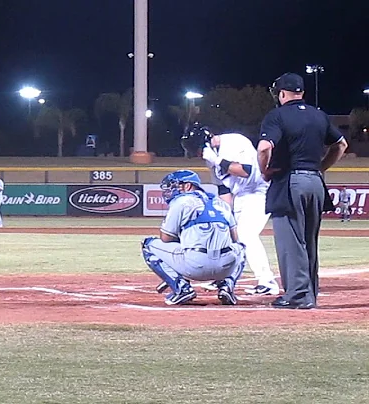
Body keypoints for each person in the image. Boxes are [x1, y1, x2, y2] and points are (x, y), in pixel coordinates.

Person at [257, 72, 348, 309]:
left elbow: (264, 148)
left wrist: (264, 171)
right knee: (309, 241)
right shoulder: (319, 115)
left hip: (289, 182)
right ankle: (309, 294)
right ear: (302, 93)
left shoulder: (276, 115)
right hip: (315, 182)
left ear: (282, 93)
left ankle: (297, 296)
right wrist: (321, 167)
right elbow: (341, 144)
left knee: (290, 241)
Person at [181, 124, 279, 296]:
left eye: (197, 149)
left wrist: (217, 160)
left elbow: (245, 171)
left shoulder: (234, 141)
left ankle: (267, 282)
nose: (197, 154)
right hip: (240, 195)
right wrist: (225, 215)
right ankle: (223, 277)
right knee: (228, 235)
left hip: (259, 191)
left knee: (247, 235)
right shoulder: (210, 158)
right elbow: (223, 188)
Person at [142, 170, 246, 306]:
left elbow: (166, 238)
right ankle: (227, 286)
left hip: (195, 264)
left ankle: (181, 288)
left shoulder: (180, 202)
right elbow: (234, 238)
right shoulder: (221, 203)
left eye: (175, 186)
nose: (171, 190)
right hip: (226, 266)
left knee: (148, 244)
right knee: (242, 248)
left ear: (188, 186)